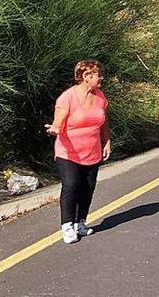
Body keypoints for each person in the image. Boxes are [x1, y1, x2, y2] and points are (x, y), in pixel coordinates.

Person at [45, 60, 111, 244]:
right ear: (86, 76)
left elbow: (103, 121)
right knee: (72, 185)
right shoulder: (67, 97)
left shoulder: (100, 96)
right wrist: (55, 129)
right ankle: (67, 225)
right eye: (98, 74)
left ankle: (80, 222)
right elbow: (58, 122)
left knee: (88, 188)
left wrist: (107, 141)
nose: (101, 77)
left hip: (92, 151)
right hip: (69, 152)